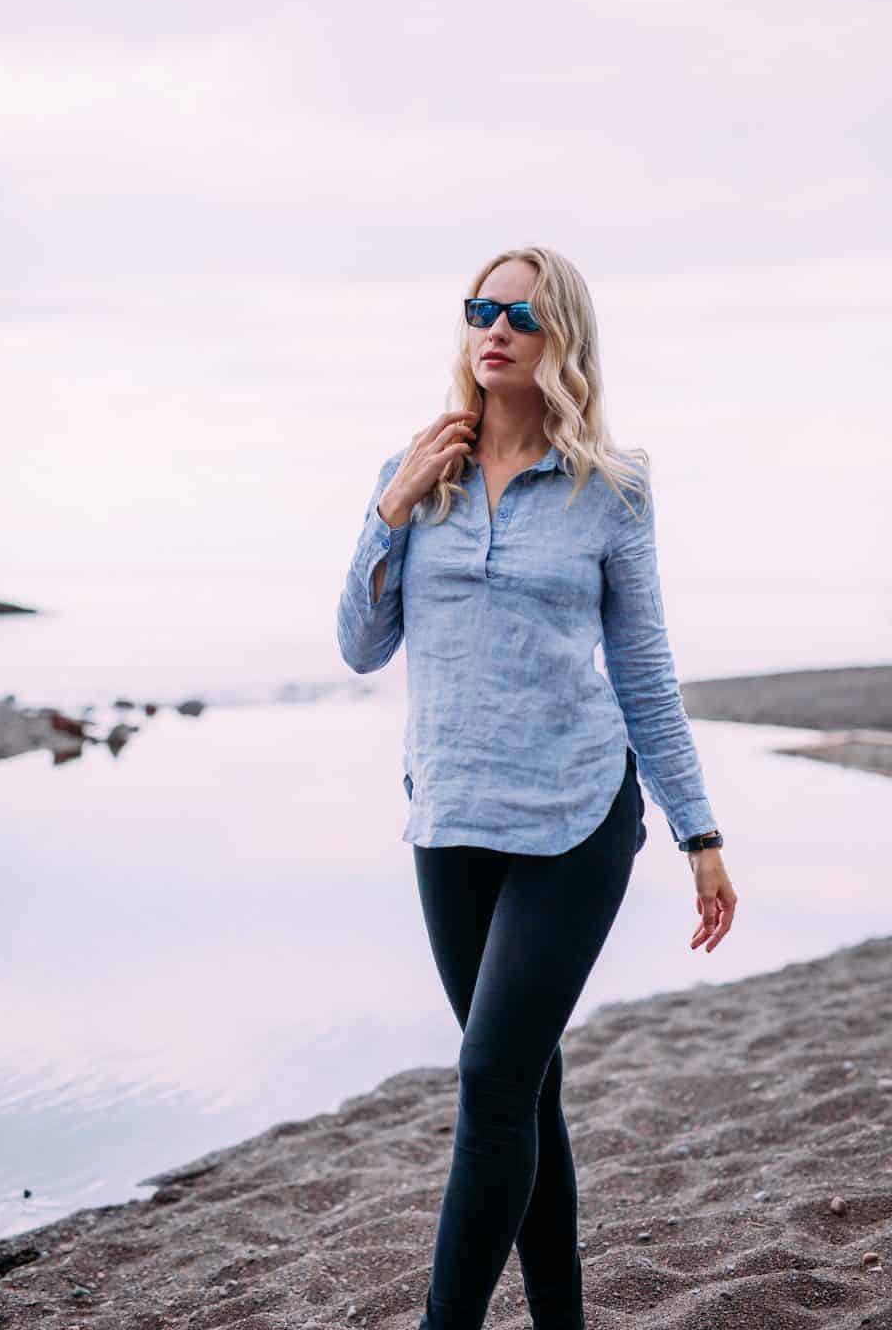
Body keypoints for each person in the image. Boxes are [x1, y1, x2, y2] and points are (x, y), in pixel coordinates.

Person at [335, 245, 737, 1330]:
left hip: (576, 818)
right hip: (450, 816)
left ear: (563, 338)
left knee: (491, 1082)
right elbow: (360, 647)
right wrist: (392, 509)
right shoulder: (415, 472)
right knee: (523, 1086)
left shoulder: (613, 488)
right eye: (481, 310)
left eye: (521, 314)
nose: (496, 330)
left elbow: (644, 672)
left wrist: (698, 832)